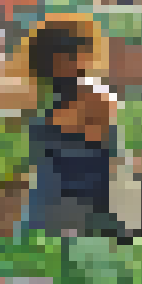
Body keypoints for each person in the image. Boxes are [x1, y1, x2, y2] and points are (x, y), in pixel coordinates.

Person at [19, 18, 125, 239]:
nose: (79, 62)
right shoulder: (45, 96)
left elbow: (98, 159)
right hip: (49, 203)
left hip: (82, 205)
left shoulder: (95, 98)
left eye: (77, 55)